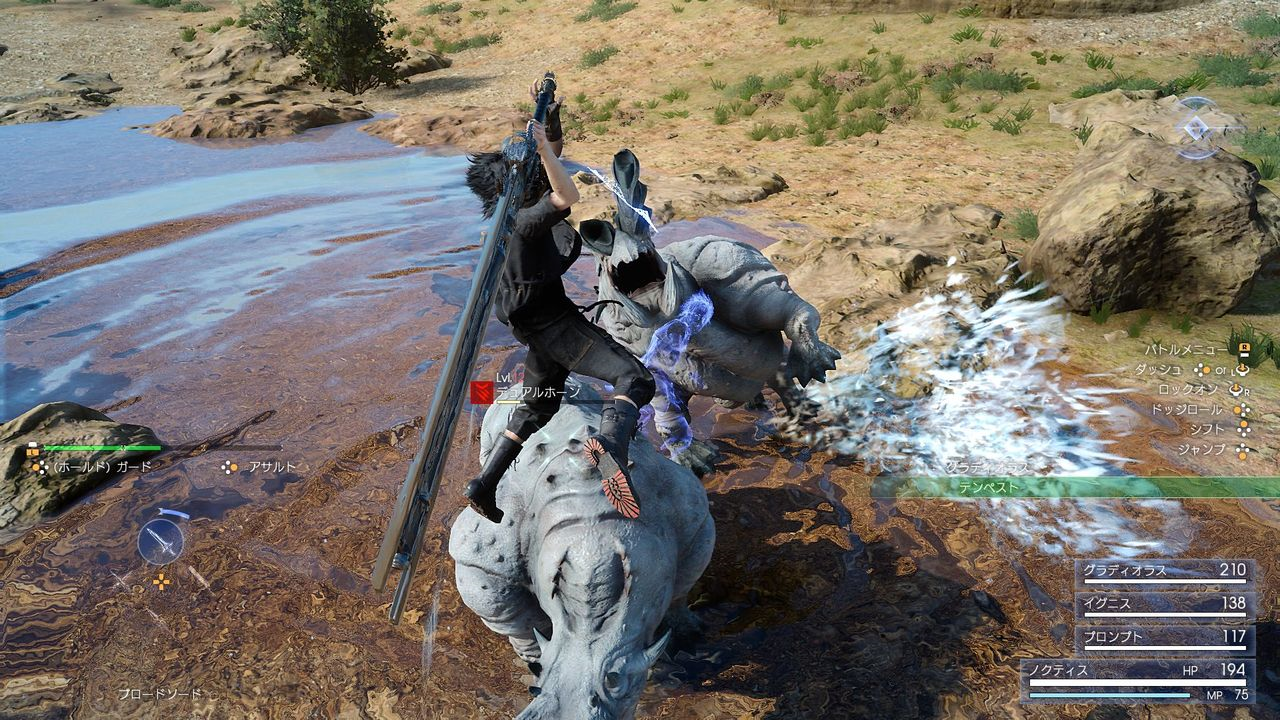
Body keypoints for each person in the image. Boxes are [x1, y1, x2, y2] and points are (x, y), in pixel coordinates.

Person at [462, 88, 655, 524]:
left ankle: (484, 485)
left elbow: (549, 165)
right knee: (634, 378)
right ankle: (611, 447)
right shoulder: (523, 222)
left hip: (532, 328)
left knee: (538, 404)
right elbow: (567, 195)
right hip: (555, 324)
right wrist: (547, 153)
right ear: (516, 187)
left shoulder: (499, 224)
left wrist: (548, 121)